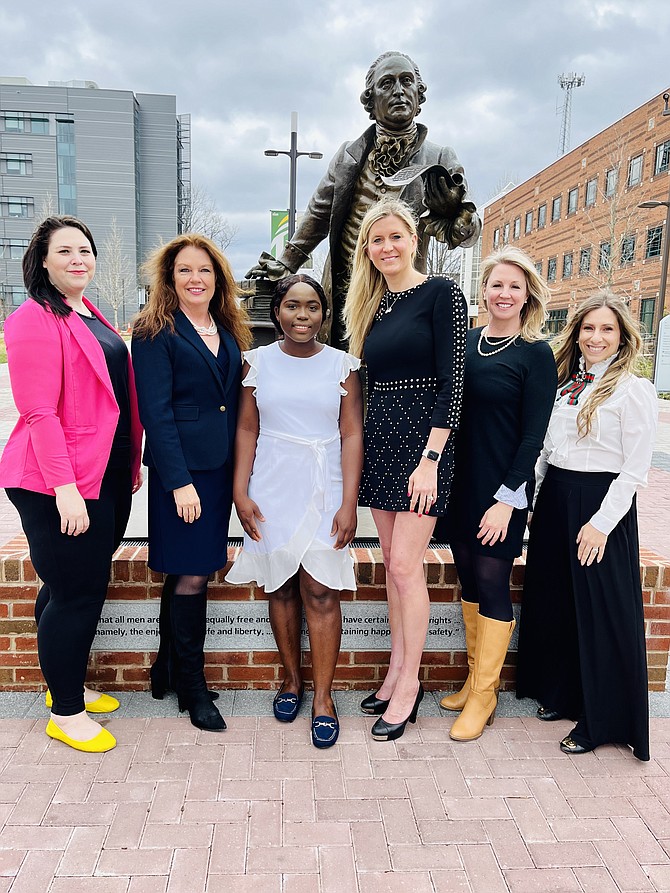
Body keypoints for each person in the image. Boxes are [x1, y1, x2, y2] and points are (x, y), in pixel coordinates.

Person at [0, 215, 143, 753]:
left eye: (85, 249)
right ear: (42, 261)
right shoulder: (32, 318)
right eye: (65, 251)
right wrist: (66, 490)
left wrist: (128, 467)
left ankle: (63, 682)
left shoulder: (88, 312)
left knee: (65, 586)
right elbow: (38, 412)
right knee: (78, 593)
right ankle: (65, 710)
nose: (78, 258)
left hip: (102, 474)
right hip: (56, 480)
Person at [247, 51, 480, 348]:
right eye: (387, 84)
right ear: (370, 100)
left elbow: (470, 231)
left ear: (419, 95)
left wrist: (456, 216)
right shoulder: (348, 155)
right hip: (347, 292)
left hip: (401, 297)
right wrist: (287, 261)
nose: (398, 91)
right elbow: (319, 214)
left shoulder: (439, 157)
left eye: (406, 81)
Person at [342, 198, 466, 741]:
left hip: (423, 449)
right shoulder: (374, 305)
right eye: (376, 240)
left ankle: (411, 685)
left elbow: (453, 384)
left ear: (414, 239)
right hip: (383, 443)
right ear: (366, 250)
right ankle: (394, 673)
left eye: (395, 237)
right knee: (393, 567)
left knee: (405, 566)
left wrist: (431, 460)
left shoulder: (443, 294)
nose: (386, 247)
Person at [516, 291, 657, 760]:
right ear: (576, 334)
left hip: (600, 506)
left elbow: (635, 469)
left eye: (607, 329)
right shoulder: (564, 384)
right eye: (588, 328)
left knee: (601, 612)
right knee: (556, 601)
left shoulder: (632, 390)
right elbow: (546, 450)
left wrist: (600, 524)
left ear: (622, 337)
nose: (596, 338)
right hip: (556, 498)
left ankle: (603, 721)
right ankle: (562, 695)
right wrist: (532, 500)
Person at [226, 274, 363, 748]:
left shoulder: (344, 366)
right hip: (272, 484)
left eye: (311, 307)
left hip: (325, 484)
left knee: (322, 591)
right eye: (291, 306)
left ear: (324, 314)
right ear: (277, 311)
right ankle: (291, 680)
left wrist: (349, 501)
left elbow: (351, 434)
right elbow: (246, 428)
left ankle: (323, 699)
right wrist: (240, 492)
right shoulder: (256, 363)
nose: (301, 315)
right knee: (280, 587)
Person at [435, 247, 557, 742]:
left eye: (514, 286)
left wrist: (508, 499)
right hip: (461, 484)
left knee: (492, 581)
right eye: (496, 285)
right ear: (482, 291)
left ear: (527, 295)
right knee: (467, 579)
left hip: (501, 489)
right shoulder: (465, 343)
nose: (503, 294)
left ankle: (486, 695)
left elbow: (534, 436)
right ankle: (472, 680)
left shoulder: (535, 354)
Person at [131, 234, 251, 732]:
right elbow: (155, 414)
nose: (195, 278)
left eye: (204, 270)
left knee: (185, 568)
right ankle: (194, 689)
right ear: (170, 277)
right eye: (184, 270)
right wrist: (179, 483)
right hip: (181, 474)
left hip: (217, 469)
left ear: (218, 277)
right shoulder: (154, 330)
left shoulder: (225, 327)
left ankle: (169, 670)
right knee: (196, 573)